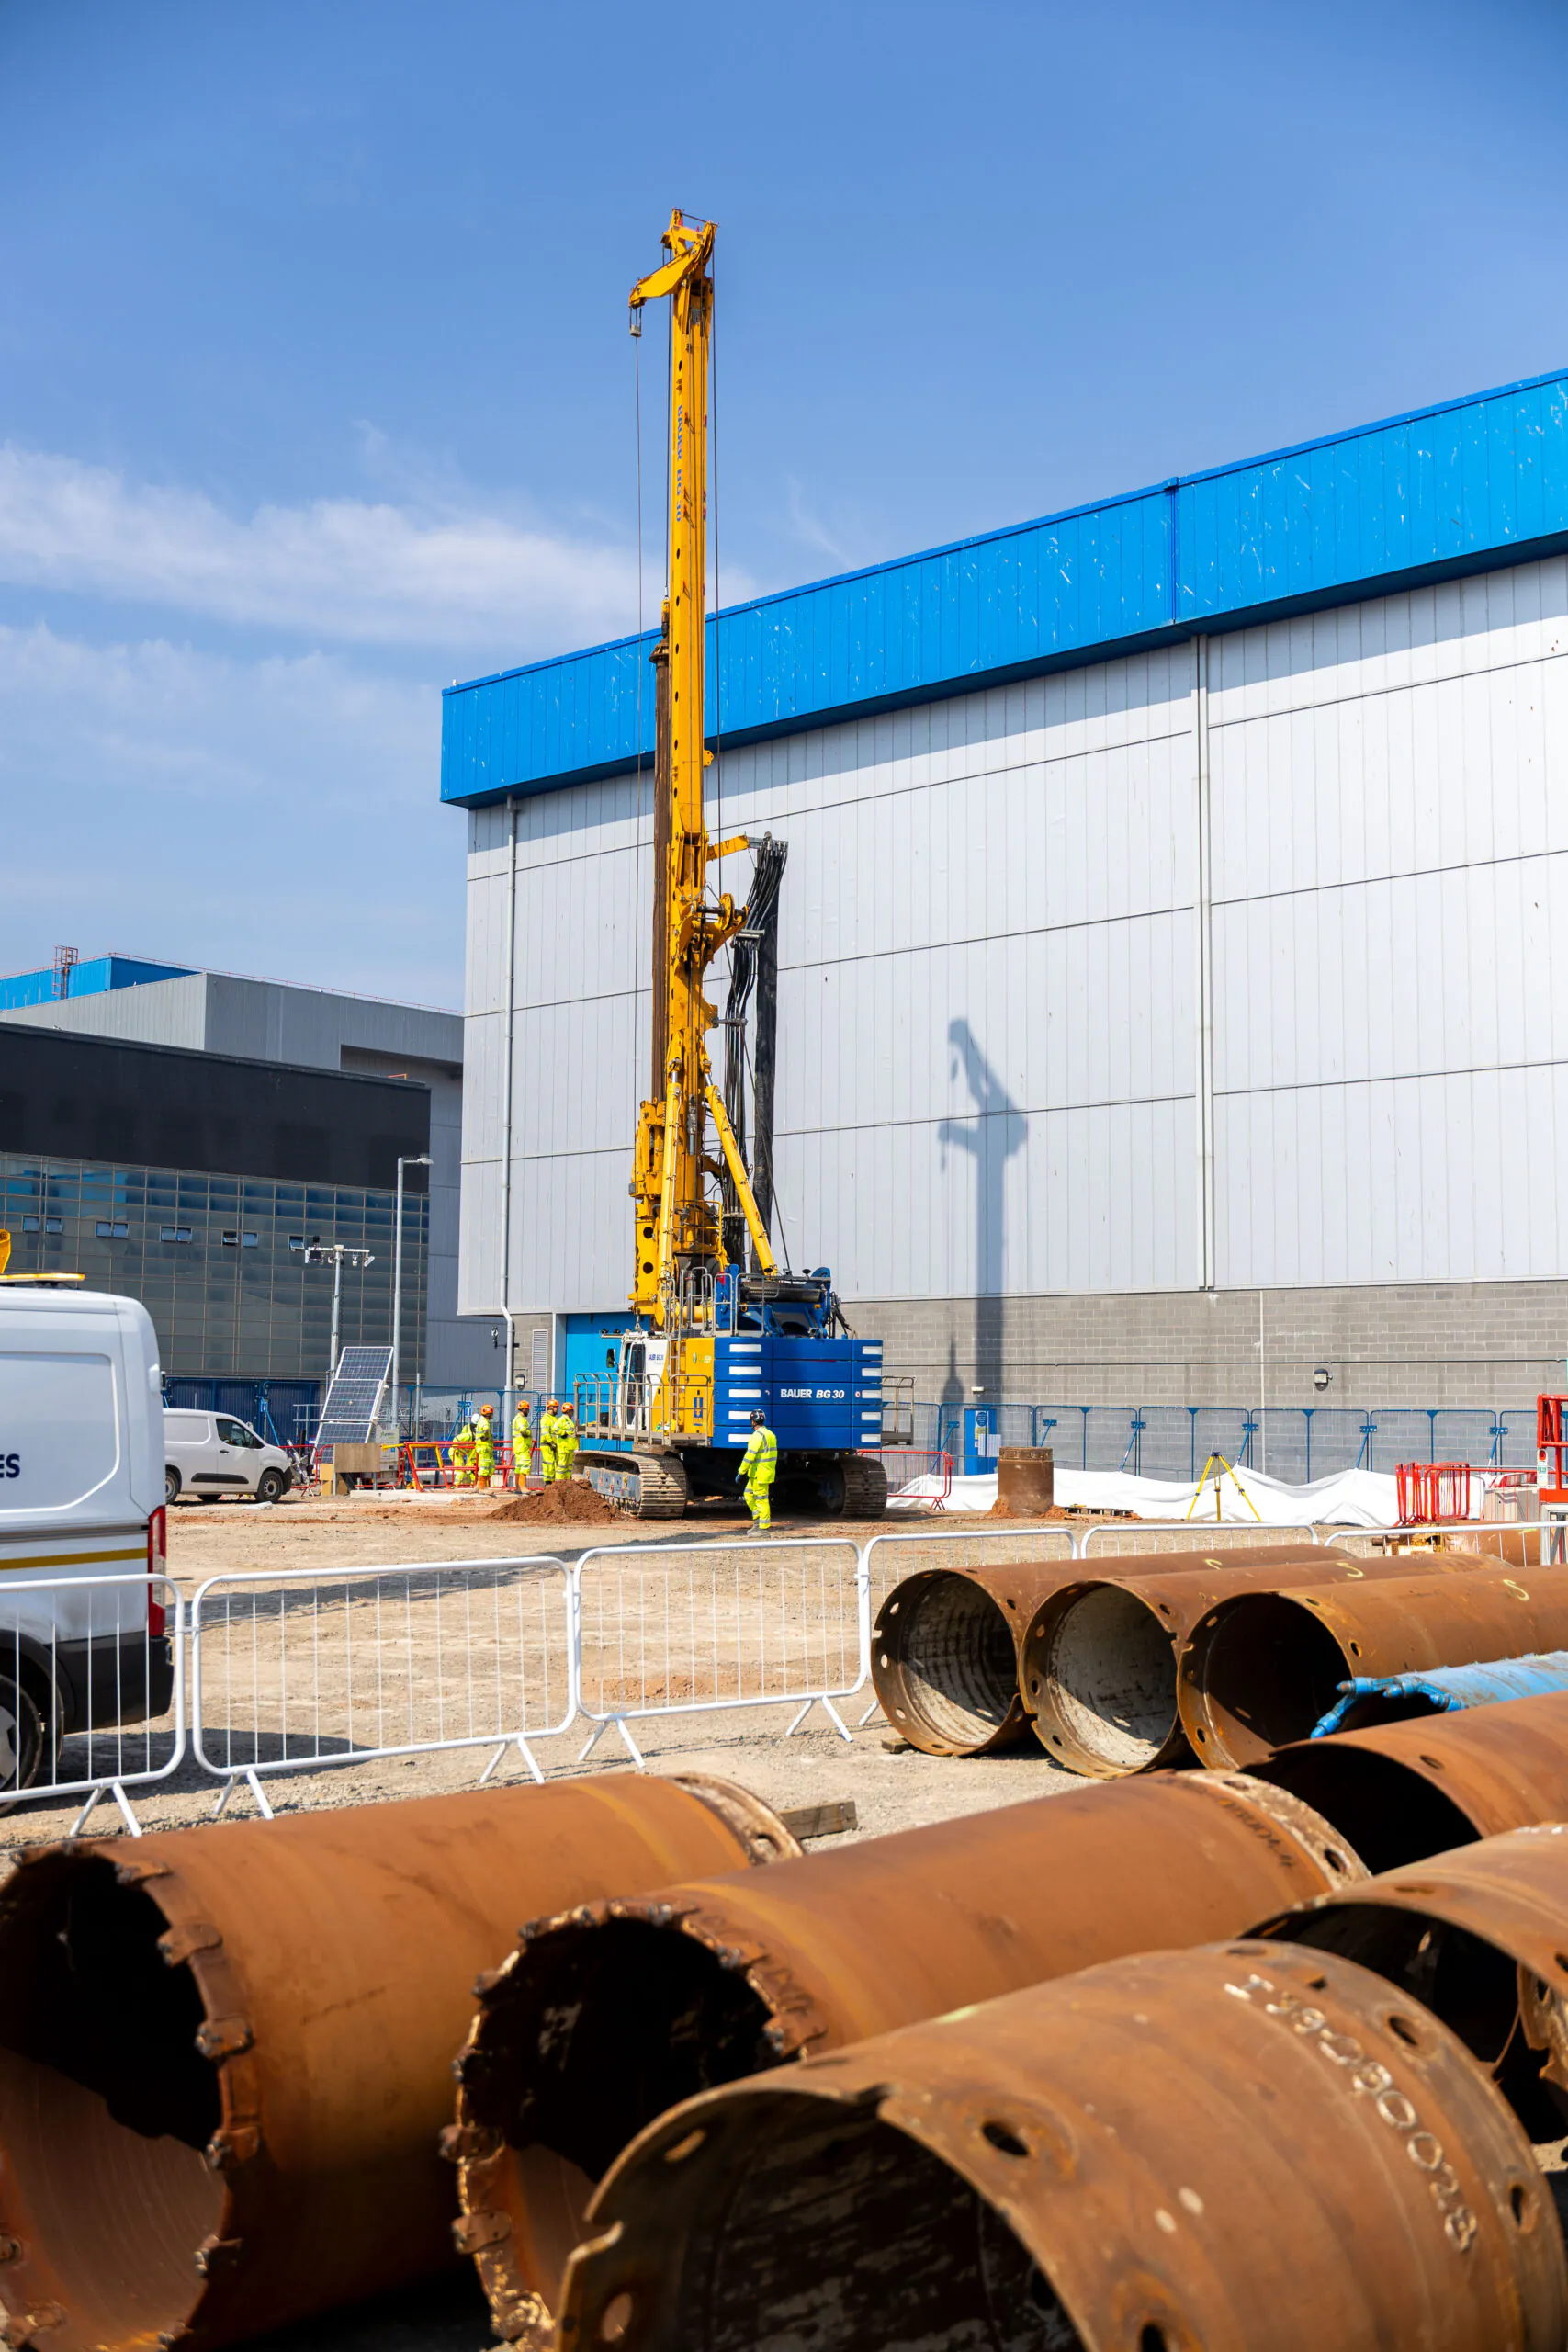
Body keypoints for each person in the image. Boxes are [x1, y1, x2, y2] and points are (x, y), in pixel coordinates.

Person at [737, 1409, 777, 1532]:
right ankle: (758, 1519)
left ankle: (763, 1529)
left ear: (753, 1421)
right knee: (748, 1495)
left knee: (761, 1500)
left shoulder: (757, 1436)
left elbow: (750, 1456)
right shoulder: (770, 1434)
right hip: (760, 1473)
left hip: (760, 1474)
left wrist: (741, 1471)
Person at [511, 1396, 533, 1486]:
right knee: (524, 1465)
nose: (528, 1411)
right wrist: (528, 1432)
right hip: (522, 1446)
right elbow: (523, 1431)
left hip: (519, 1446)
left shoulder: (517, 1418)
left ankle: (518, 1487)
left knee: (519, 1466)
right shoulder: (520, 1419)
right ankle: (522, 1486)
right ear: (524, 1409)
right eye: (527, 1410)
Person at [473, 1403, 496, 1487]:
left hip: (486, 1448)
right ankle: (482, 1487)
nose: (492, 1416)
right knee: (484, 1468)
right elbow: (486, 1430)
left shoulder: (482, 1421)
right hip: (484, 1448)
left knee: (490, 1468)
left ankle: (479, 1486)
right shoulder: (484, 1422)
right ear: (488, 1414)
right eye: (491, 1414)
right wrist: (485, 1437)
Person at [554, 1402, 578, 1484]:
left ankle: (567, 1483)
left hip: (570, 1448)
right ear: (567, 1411)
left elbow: (573, 1434)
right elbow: (555, 1429)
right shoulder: (562, 1419)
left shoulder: (570, 1421)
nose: (573, 1412)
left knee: (568, 1467)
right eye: (571, 1411)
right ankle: (558, 1484)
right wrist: (563, 1433)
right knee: (561, 1466)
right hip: (563, 1447)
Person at [538, 1399, 560, 1485]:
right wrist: (551, 1442)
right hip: (547, 1445)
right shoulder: (545, 1418)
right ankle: (548, 1483)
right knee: (548, 1463)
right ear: (551, 1407)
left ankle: (553, 1483)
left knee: (554, 1464)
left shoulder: (555, 1418)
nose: (557, 1409)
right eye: (556, 1408)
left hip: (554, 1445)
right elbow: (545, 1432)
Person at [450, 1419, 475, 1488]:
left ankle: (471, 1484)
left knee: (467, 1470)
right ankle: (455, 1485)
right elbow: (455, 1440)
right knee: (460, 1470)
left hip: (459, 1454)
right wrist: (457, 1449)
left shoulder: (473, 1442)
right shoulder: (468, 1436)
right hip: (455, 1453)